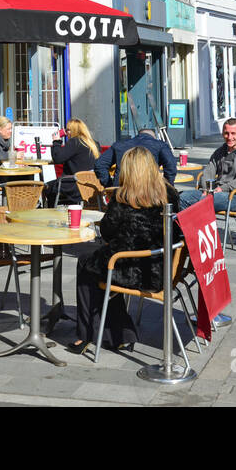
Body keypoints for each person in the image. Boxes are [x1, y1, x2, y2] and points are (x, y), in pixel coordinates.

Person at [68, 146, 178, 354]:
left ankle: (85, 334)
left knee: (87, 262)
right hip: (163, 268)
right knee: (103, 262)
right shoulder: (169, 195)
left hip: (134, 270)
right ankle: (119, 333)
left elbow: (108, 232)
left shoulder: (124, 198)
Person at [179, 118, 236, 214]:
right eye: (226, 133)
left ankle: (198, 226)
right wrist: (206, 189)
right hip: (214, 192)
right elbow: (208, 172)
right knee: (180, 198)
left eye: (233, 133)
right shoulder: (220, 151)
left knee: (202, 202)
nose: (229, 137)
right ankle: (190, 228)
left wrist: (221, 189)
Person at [94, 127, 177, 186]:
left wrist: (109, 184)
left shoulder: (119, 145)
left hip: (120, 191)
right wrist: (168, 187)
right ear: (153, 137)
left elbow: (99, 164)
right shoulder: (159, 145)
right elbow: (171, 166)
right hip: (148, 192)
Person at [45, 118, 99, 207]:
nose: (66, 133)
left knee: (46, 187)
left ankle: (52, 214)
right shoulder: (94, 143)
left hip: (74, 184)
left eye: (67, 130)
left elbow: (57, 159)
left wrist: (56, 141)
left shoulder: (75, 142)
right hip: (91, 184)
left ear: (72, 131)